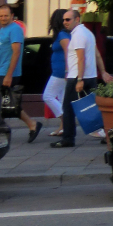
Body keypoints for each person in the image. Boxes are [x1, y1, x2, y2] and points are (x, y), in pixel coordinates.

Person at [0, 4, 42, 142]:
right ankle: (31, 124)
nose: (3, 18)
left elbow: (16, 52)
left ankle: (2, 132)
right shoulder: (3, 29)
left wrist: (8, 75)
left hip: (7, 73)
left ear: (12, 16)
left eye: (6, 15)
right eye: (1, 16)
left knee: (1, 103)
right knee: (6, 103)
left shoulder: (14, 29)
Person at [54, 7, 99, 148]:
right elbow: (94, 55)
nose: (65, 22)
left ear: (77, 19)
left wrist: (79, 79)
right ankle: (109, 133)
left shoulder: (78, 34)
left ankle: (68, 138)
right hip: (90, 75)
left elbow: (81, 58)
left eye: (68, 19)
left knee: (67, 108)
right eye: (63, 20)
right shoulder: (87, 32)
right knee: (95, 106)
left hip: (79, 77)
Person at [42, 9, 70, 137]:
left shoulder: (62, 35)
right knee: (62, 98)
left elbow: (68, 51)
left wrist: (67, 71)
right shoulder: (63, 34)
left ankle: (65, 119)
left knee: (48, 96)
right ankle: (63, 127)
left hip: (60, 72)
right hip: (60, 71)